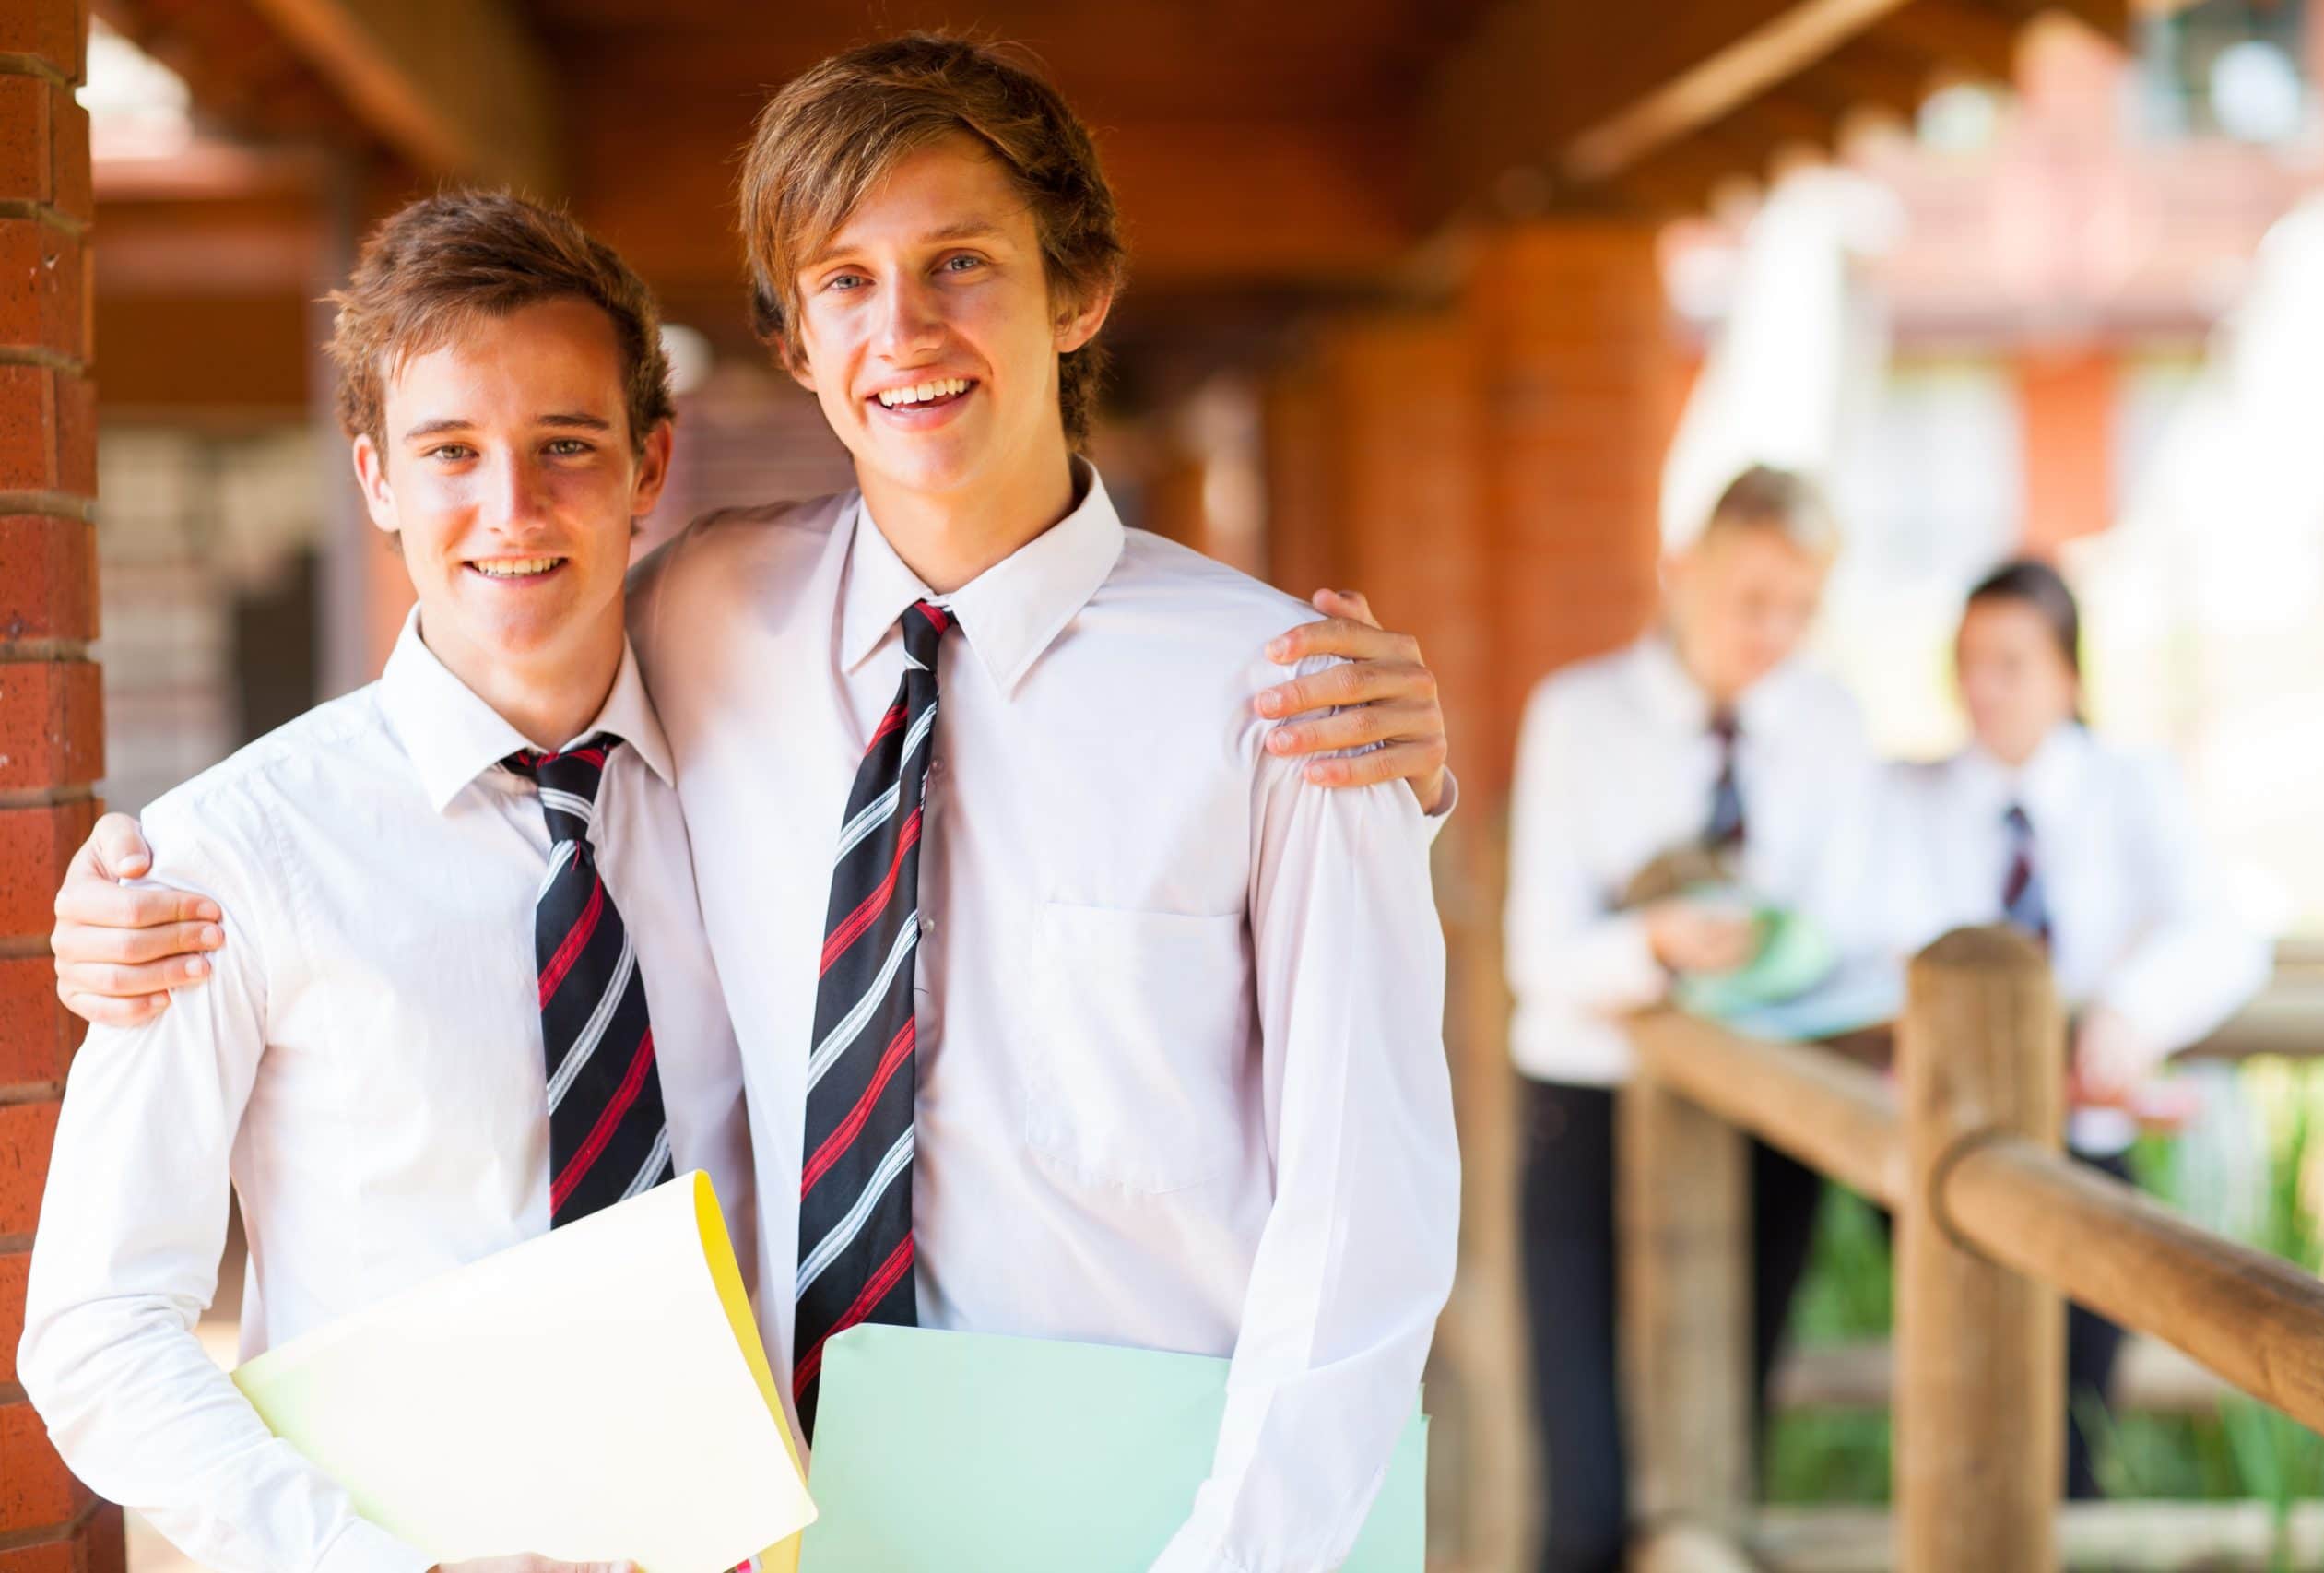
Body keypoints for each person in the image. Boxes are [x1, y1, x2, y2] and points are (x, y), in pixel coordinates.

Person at [49, 36, 1460, 1573]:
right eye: (843, 281)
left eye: (960, 264)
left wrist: (1412, 794)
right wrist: (125, 886)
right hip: (785, 1518)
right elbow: (493, 645)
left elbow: (1363, 1226)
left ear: (1081, 290)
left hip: (1148, 1508)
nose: (903, 329)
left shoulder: (1282, 696)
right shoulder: (711, 617)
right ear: (794, 343)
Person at [18, 193, 748, 1573]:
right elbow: (97, 1326)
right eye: (451, 451)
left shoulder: (762, 787)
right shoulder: (225, 854)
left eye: (567, 446)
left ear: (652, 463)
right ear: (375, 478)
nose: (511, 508)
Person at [1503, 464, 1878, 1573]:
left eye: (1799, 608)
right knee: (1583, 1495)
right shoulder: (1576, 715)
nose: (1774, 632)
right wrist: (1652, 948)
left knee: (1717, 1474)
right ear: (1682, 573)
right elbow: (1539, 956)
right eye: (1750, 600)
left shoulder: (1828, 719)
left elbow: (1844, 923)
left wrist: (1765, 952)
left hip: (1768, 1111)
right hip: (1589, 1110)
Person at [1877, 557, 2271, 1500]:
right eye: (1969, 660)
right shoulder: (1906, 798)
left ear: (2069, 674)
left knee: (2071, 1429)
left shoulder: (2130, 785)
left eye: (2010, 662)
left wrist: (2129, 1012)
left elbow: (2221, 933)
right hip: (1941, 1154)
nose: (1982, 687)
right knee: (1960, 1415)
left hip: (2086, 1148)